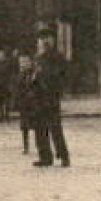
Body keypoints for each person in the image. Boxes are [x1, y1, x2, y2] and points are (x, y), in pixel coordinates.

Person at [26, 28, 71, 167]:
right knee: (39, 128)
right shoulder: (38, 58)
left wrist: (55, 86)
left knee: (55, 128)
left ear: (53, 40)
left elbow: (63, 75)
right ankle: (45, 157)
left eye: (48, 38)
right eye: (42, 38)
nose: (45, 41)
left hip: (51, 96)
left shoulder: (58, 57)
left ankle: (64, 156)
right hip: (38, 97)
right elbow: (32, 75)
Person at [12, 52, 38, 154]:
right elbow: (17, 89)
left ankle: (39, 145)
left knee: (37, 126)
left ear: (30, 62)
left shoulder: (34, 73)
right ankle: (26, 147)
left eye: (25, 62)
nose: (22, 64)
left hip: (33, 103)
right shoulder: (20, 75)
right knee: (24, 127)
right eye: (21, 62)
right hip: (24, 104)